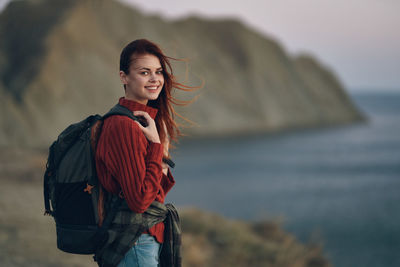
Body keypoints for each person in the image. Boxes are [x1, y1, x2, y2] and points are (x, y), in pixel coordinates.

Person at [94, 39, 197, 267]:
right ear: (124, 77)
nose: (155, 79)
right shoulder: (124, 126)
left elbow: (156, 193)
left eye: (158, 71)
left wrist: (159, 149)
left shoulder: (142, 121)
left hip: (143, 239)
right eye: (144, 72)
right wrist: (155, 147)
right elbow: (140, 201)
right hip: (136, 242)